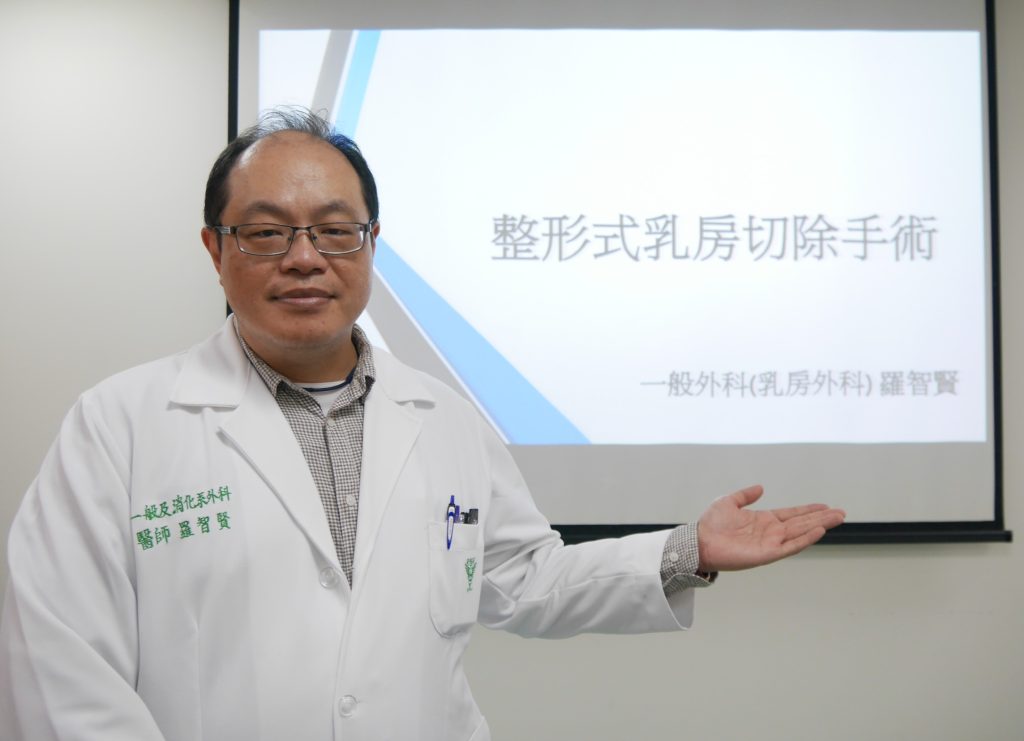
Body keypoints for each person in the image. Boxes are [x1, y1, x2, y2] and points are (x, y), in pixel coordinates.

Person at [0, 108, 845, 741]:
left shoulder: (441, 417)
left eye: (335, 231)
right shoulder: (121, 425)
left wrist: (687, 549)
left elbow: (524, 576)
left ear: (371, 244)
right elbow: (59, 660)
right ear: (216, 249)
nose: (304, 257)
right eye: (265, 233)